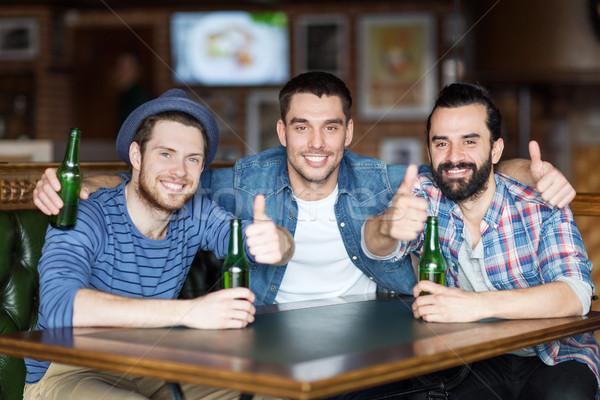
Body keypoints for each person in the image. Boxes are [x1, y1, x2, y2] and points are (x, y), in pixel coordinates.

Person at [34, 72, 575, 308]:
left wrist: (537, 175)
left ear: (348, 131)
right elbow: (171, 183)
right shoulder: (245, 179)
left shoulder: (380, 178)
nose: (316, 143)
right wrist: (91, 182)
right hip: (269, 331)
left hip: (375, 330)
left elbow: (457, 172)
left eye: (331, 127)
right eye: (301, 126)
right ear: (281, 132)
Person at [24, 88, 294, 400]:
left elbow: (251, 240)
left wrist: (279, 241)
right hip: (69, 369)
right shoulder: (86, 212)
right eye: (165, 154)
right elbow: (62, 309)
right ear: (136, 156)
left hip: (152, 364)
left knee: (271, 392)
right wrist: (189, 312)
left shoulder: (195, 211)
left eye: (192, 159)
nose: (179, 171)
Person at [363, 82, 600, 400]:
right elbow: (377, 249)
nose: (454, 156)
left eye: (469, 142)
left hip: (555, 356)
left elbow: (576, 294)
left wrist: (473, 305)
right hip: (479, 355)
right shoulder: (427, 194)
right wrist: (386, 226)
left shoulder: (540, 201)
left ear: (496, 149)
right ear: (430, 150)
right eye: (441, 143)